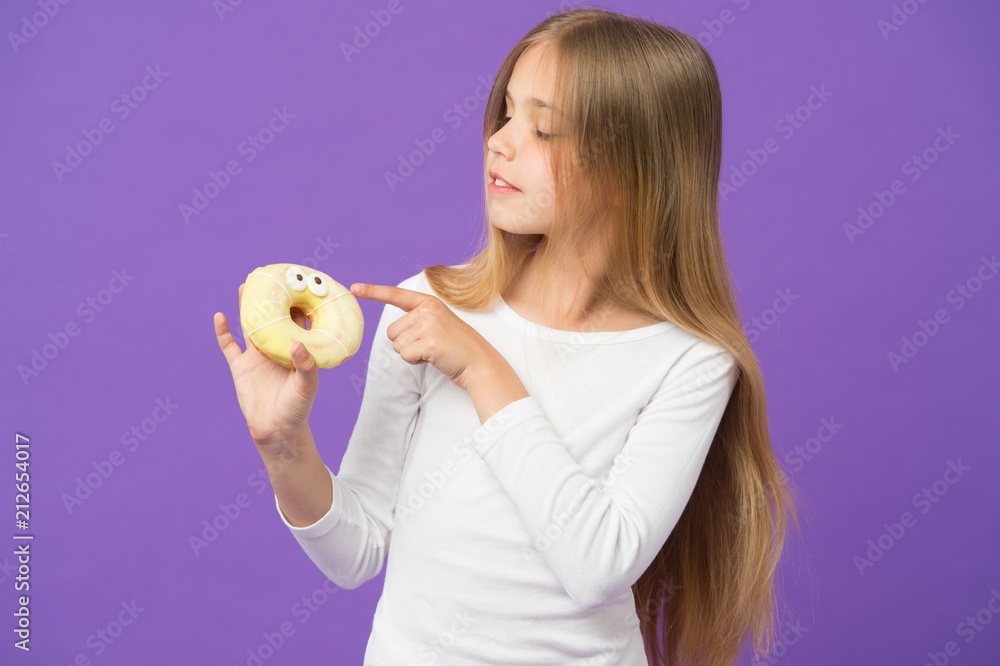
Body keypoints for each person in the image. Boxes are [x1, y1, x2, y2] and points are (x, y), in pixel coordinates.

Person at [214, 8, 800, 665]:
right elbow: (357, 551)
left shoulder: (689, 362)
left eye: (543, 128)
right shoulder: (428, 306)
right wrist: (284, 446)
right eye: (505, 114)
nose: (500, 141)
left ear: (637, 166)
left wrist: (481, 369)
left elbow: (597, 564)